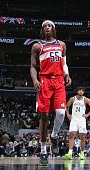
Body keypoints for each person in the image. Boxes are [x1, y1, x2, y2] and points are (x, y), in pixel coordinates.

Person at [30, 20, 72, 167]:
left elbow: (64, 62)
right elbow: (33, 66)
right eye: (44, 26)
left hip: (59, 80)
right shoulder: (37, 46)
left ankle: (54, 136)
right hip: (45, 81)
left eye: (49, 26)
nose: (47, 28)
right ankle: (43, 151)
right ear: (42, 30)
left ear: (53, 29)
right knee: (44, 116)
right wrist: (35, 80)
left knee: (61, 113)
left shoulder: (62, 45)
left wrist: (67, 74)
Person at [64, 87, 90, 160]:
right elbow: (66, 107)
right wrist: (68, 115)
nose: (81, 91)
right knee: (72, 135)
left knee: (82, 137)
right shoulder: (72, 99)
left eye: (82, 90)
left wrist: (87, 114)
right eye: (80, 90)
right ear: (77, 91)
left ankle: (82, 153)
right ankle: (70, 153)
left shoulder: (86, 99)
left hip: (82, 120)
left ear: (83, 92)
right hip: (74, 119)